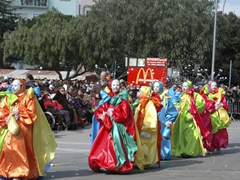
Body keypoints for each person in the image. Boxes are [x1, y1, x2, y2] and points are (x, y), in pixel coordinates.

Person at [0, 78, 57, 179]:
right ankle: (9, 170)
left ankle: (19, 173)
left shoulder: (28, 98)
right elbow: (2, 110)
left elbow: (32, 114)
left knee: (21, 150)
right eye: (12, 85)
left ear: (22, 87)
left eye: (15, 85)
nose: (13, 87)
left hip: (24, 129)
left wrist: (20, 114)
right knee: (7, 148)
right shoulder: (8, 98)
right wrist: (7, 117)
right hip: (11, 128)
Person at [88, 79, 137, 173]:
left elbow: (124, 114)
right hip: (107, 125)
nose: (115, 87)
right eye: (114, 85)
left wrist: (113, 113)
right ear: (111, 86)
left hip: (118, 127)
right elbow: (101, 108)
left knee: (116, 144)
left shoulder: (123, 99)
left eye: (117, 85)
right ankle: (106, 163)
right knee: (104, 144)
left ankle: (116, 164)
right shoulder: (108, 98)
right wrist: (104, 114)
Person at [171, 80, 209, 158]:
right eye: (183, 86)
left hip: (191, 118)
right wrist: (177, 106)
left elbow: (201, 104)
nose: (184, 88)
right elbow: (174, 101)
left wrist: (192, 108)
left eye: (186, 86)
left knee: (191, 134)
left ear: (190, 86)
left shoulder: (195, 95)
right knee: (181, 134)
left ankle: (190, 151)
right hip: (181, 119)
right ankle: (182, 150)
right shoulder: (179, 95)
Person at [134, 85, 162, 170]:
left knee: (146, 145)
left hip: (146, 130)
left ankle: (146, 161)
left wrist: (146, 128)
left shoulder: (149, 103)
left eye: (140, 91)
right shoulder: (141, 101)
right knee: (141, 144)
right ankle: (141, 161)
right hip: (139, 128)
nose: (138, 92)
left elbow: (151, 117)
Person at [201, 81, 230, 153]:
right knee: (209, 131)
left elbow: (225, 104)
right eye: (212, 85)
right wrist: (211, 106)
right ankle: (209, 147)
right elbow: (204, 103)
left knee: (219, 132)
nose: (214, 87)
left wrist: (221, 105)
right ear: (209, 86)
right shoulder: (206, 94)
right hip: (209, 115)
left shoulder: (220, 94)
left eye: (215, 85)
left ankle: (218, 145)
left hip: (218, 116)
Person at [153, 81, 178, 160]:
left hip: (163, 122)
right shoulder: (151, 97)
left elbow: (172, 111)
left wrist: (169, 120)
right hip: (153, 121)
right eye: (155, 87)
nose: (156, 88)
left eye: (158, 86)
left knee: (164, 137)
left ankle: (164, 154)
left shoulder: (166, 98)